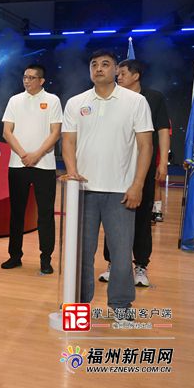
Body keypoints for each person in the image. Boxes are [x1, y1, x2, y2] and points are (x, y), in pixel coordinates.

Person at [62, 50, 153, 316]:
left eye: (105, 64)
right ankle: (79, 303)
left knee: (122, 254)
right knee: (81, 253)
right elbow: (68, 141)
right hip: (84, 191)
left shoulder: (135, 102)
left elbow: (145, 146)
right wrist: (72, 173)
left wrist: (137, 185)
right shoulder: (76, 102)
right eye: (94, 64)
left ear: (116, 70)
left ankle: (121, 305)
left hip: (121, 192)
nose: (99, 68)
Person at [96, 60, 170, 287]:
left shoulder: (153, 98)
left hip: (142, 169)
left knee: (140, 218)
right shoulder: (111, 97)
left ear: (136, 75)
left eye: (122, 73)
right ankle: (113, 264)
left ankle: (140, 266)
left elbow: (162, 130)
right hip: (116, 168)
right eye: (116, 73)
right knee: (112, 217)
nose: (118, 77)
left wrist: (163, 162)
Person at [0, 64, 62, 274]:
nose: (27, 81)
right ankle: (14, 255)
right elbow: (7, 132)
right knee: (16, 212)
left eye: (32, 78)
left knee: (45, 214)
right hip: (18, 164)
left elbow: (55, 133)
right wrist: (24, 154)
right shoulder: (15, 100)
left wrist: (36, 155)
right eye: (25, 77)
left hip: (44, 165)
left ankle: (46, 258)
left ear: (41, 81)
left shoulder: (52, 100)